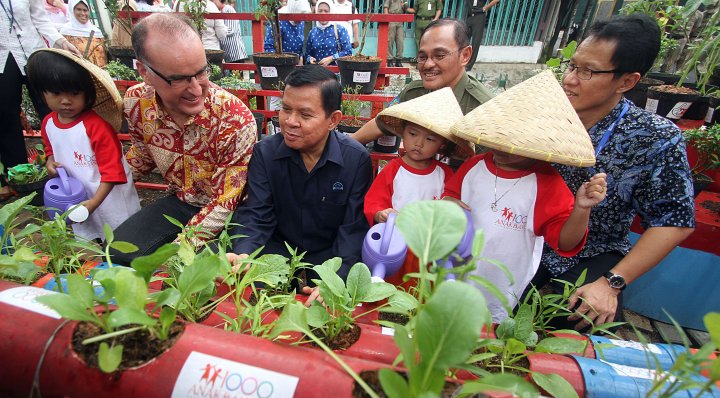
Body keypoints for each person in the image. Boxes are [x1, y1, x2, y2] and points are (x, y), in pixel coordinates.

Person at [532, 13, 695, 331]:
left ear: (626, 82)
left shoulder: (655, 137)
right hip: (529, 235)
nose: (570, 79)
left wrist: (612, 282)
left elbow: (673, 222)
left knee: (583, 320)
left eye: (588, 71)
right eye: (572, 66)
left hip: (593, 250)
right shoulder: (544, 113)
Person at [445, 70, 607, 323]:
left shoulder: (546, 182)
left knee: (488, 325)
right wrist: (448, 204)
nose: (503, 147)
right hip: (454, 266)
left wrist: (582, 208)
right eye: (500, 137)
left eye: (516, 143)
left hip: (501, 280)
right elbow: (450, 196)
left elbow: (564, 242)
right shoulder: (474, 166)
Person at [111, 13, 256, 264]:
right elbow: (142, 156)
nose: (197, 89)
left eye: (202, 72)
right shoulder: (136, 102)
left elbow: (226, 201)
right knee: (117, 251)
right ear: (144, 72)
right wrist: (98, 183)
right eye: (178, 79)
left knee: (199, 273)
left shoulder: (234, 119)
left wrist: (178, 251)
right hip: (181, 201)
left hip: (231, 213)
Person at [226, 65, 371, 294]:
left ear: (333, 120)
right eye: (285, 109)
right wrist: (245, 252)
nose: (290, 121)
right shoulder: (265, 154)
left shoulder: (356, 160)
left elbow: (352, 230)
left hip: (329, 253)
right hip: (278, 247)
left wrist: (337, 280)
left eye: (305, 115)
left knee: (329, 303)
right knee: (254, 294)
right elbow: (256, 213)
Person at [26, 48, 140, 241]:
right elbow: (50, 147)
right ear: (43, 94)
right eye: (56, 93)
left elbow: (113, 173)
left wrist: (94, 203)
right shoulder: (48, 123)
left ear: (88, 95)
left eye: (74, 93)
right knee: (91, 233)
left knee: (120, 235)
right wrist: (50, 160)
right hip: (77, 195)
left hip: (107, 196)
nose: (65, 101)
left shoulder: (97, 128)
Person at [351, 19, 493, 151]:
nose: (428, 64)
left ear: (465, 55)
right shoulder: (414, 93)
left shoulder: (485, 110)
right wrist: (345, 145)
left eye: (439, 55)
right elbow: (380, 124)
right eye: (422, 57)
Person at [0, 0, 80, 202]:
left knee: (52, 108)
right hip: (3, 57)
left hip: (32, 51)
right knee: (5, 116)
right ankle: (19, 180)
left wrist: (61, 42)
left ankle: (70, 164)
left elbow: (40, 19)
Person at [364, 87, 471, 226]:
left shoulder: (444, 173)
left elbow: (452, 201)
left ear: (442, 144)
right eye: (413, 134)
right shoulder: (393, 170)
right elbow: (374, 201)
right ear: (403, 132)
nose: (419, 143)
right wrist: (380, 213)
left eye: (430, 139)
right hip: (396, 235)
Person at [60, 0, 107, 67]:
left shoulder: (96, 31)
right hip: (78, 71)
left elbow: (103, 56)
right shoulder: (66, 32)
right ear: (72, 10)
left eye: (85, 10)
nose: (83, 13)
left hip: (100, 71)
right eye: (79, 9)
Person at [305, 0, 352, 66]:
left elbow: (348, 52)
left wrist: (332, 58)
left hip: (335, 71)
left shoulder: (340, 30)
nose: (323, 13)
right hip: (317, 70)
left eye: (326, 11)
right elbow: (307, 54)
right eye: (320, 11)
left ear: (331, 12)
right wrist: (310, 59)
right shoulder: (312, 32)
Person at [464, 0, 499, 72]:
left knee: (476, 42)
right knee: (463, 40)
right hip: (469, 16)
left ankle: (468, 66)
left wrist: (486, 8)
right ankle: (461, 61)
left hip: (479, 17)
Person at [211, 0, 247, 64]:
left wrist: (216, 29)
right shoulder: (217, 12)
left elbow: (231, 30)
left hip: (236, 54)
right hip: (226, 54)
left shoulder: (228, 9)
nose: (212, 3)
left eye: (213, 0)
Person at [384, 0, 408, 67]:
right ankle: (389, 60)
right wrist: (387, 19)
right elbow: (386, 8)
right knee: (390, 41)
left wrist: (405, 4)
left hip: (400, 20)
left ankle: (398, 60)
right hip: (391, 19)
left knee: (400, 41)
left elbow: (406, 8)